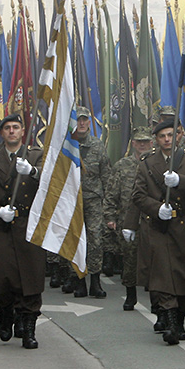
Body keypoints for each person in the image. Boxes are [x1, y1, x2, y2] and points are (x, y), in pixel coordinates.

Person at [132, 118, 185, 345]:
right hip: (160, 228)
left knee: (184, 280)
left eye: (171, 135)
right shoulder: (147, 163)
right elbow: (138, 195)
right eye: (162, 136)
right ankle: (172, 323)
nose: (167, 139)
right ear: (156, 140)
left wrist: (181, 182)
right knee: (163, 278)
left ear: (179, 135)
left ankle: (180, 319)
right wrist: (157, 208)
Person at [0, 114, 45, 349]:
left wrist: (33, 172)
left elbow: (54, 183)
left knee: (31, 279)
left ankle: (29, 329)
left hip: (28, 225)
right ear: (1, 133)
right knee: (3, 279)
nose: (12, 131)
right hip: (1, 227)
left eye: (16, 127)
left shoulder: (36, 155)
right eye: (7, 128)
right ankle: (5, 312)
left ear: (23, 131)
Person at [104, 128, 152, 311]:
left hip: (152, 221)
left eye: (146, 141)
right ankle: (130, 295)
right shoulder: (122, 166)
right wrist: (109, 216)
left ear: (151, 143)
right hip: (128, 221)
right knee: (129, 260)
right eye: (139, 142)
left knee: (154, 260)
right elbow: (111, 192)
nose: (142, 145)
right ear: (133, 143)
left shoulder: (156, 164)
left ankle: (156, 297)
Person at [72, 106, 111, 298]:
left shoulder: (97, 145)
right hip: (72, 201)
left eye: (84, 120)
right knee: (76, 240)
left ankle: (95, 281)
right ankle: (78, 281)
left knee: (95, 239)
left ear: (89, 122)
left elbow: (106, 175)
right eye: (78, 120)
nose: (81, 123)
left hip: (94, 200)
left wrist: (108, 204)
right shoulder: (68, 144)